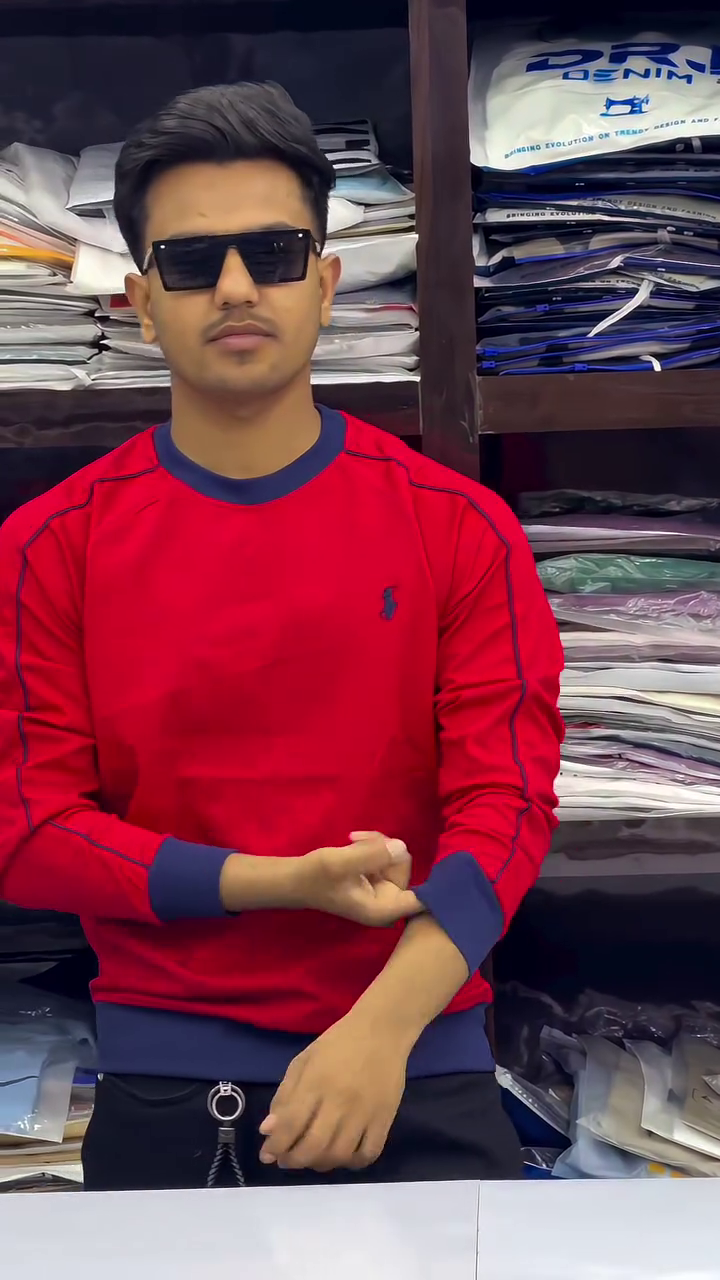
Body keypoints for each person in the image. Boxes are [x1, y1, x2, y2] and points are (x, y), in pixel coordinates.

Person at [0, 82, 564, 1192]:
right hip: (170, 1085)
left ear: (327, 283)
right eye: (191, 262)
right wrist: (281, 882)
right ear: (140, 302)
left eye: (273, 252)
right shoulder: (50, 547)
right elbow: (30, 829)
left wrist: (381, 1029)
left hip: (421, 1063)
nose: (237, 287)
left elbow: (507, 807)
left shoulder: (458, 527)